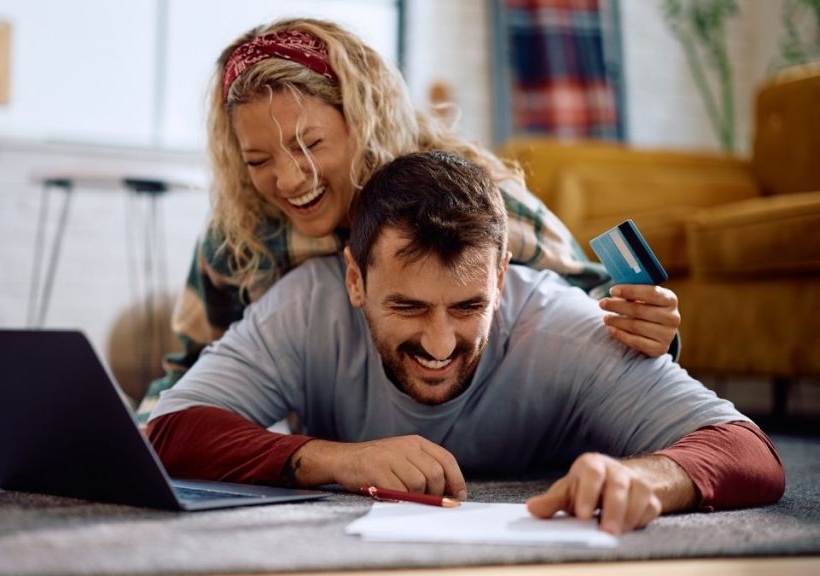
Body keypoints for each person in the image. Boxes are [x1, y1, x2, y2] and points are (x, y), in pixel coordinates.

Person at [148, 151, 784, 535]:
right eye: (408, 306)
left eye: (468, 306)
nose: (440, 341)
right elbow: (168, 431)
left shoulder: (562, 325)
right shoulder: (305, 306)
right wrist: (340, 460)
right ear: (355, 278)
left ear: (501, 277)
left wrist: (651, 479)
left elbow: (749, 452)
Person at [145, 18, 681, 408]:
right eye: (258, 159)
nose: (286, 179)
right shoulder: (240, 236)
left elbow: (592, 303)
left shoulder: (466, 199)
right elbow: (192, 368)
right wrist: (150, 436)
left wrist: (651, 326)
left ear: (364, 120)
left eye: (309, 145)